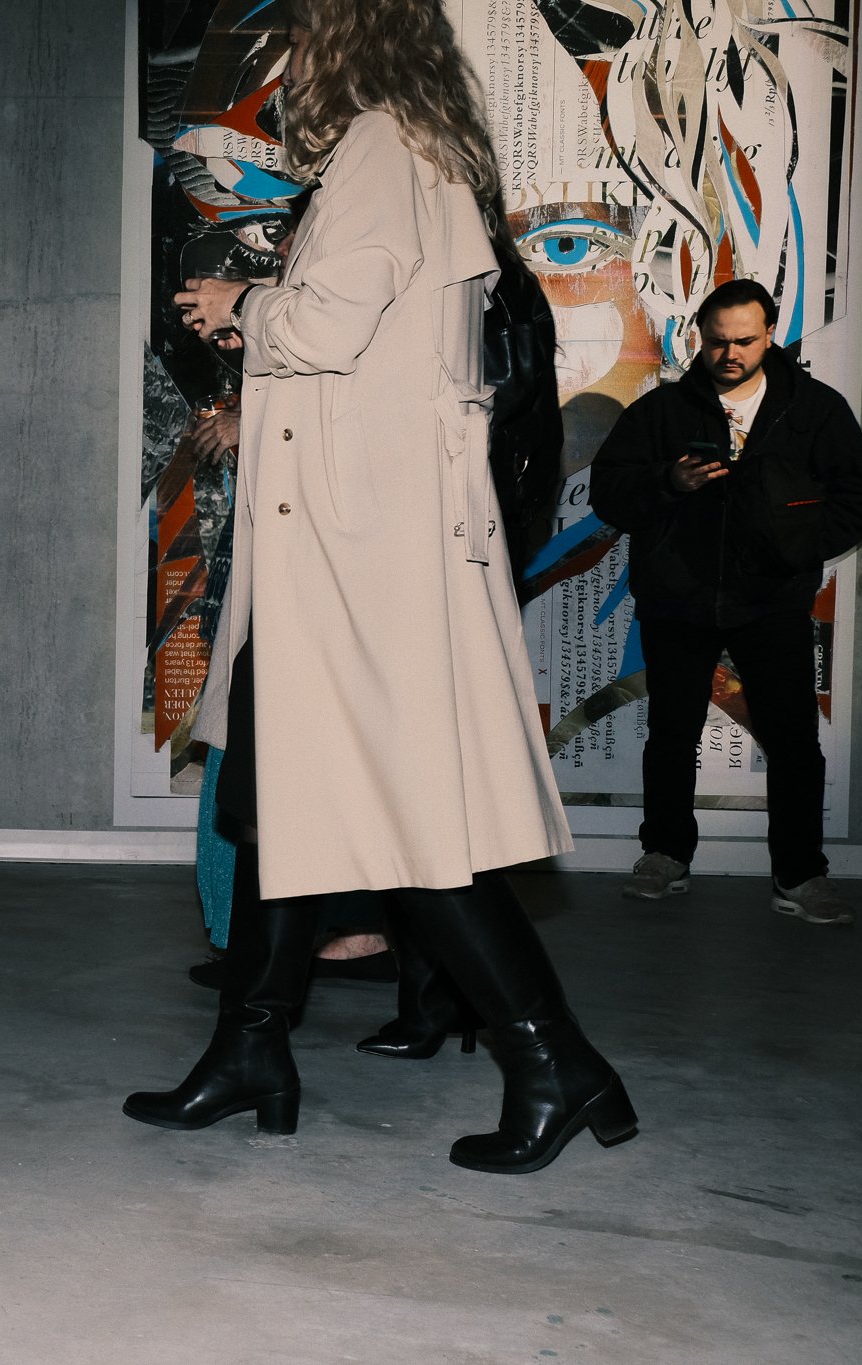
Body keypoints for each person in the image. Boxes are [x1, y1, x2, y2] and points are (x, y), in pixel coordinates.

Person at [127, 0, 636, 1175]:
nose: (288, 60)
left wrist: (234, 306)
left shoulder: (376, 146)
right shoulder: (422, 148)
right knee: (268, 797)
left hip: (357, 555)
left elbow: (323, 323)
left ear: (345, 40)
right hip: (357, 542)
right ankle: (250, 1043)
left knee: (411, 832)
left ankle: (551, 1058)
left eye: (301, 37)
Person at [590, 279, 862, 924]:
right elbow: (608, 493)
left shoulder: (814, 408)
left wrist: (799, 551)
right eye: (718, 340)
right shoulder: (663, 411)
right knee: (671, 733)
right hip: (677, 600)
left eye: (745, 341)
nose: (730, 353)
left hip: (772, 601)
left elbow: (859, 496)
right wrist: (669, 482)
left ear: (770, 333)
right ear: (701, 335)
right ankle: (665, 856)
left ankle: (801, 874)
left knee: (794, 741)